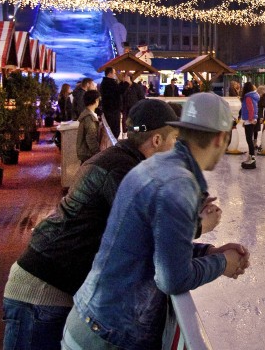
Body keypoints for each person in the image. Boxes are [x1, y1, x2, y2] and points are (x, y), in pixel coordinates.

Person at [3, 99, 198, 350]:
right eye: (174, 140)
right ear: (157, 141)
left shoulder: (122, 162)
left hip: (52, 285)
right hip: (40, 293)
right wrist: (201, 223)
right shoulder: (122, 171)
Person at [62, 93, 250, 350]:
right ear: (220, 138)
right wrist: (221, 263)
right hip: (108, 335)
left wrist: (208, 251)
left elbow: (148, 244)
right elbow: (172, 278)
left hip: (93, 323)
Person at [98, 68, 129, 139]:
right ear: (110, 73)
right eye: (114, 73)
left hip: (110, 109)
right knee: (114, 129)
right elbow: (119, 90)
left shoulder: (107, 82)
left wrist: (122, 82)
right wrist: (126, 83)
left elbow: (117, 89)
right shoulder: (109, 83)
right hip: (112, 110)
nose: (115, 75)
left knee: (114, 129)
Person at [76, 90, 103, 164]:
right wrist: (98, 154)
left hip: (85, 153)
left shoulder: (86, 114)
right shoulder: (89, 118)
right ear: (96, 100)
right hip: (88, 154)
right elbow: (91, 139)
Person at [240, 83, 260, 170]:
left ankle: (252, 158)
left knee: (249, 139)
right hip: (251, 119)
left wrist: (251, 119)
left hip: (249, 119)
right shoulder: (253, 96)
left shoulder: (248, 97)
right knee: (249, 139)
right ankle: (251, 156)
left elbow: (250, 108)